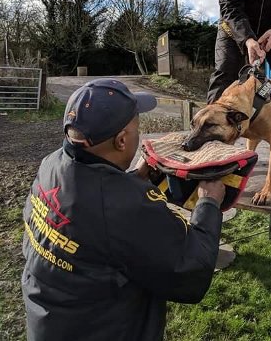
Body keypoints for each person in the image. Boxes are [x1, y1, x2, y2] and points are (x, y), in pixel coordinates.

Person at [22, 78, 225, 341]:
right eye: (137, 128)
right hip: (104, 329)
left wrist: (131, 179)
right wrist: (209, 203)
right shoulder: (126, 206)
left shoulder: (51, 164)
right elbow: (191, 273)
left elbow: (92, 209)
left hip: (51, 320)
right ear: (121, 141)